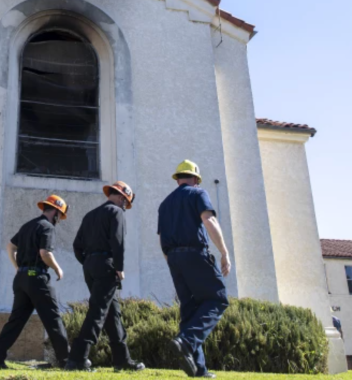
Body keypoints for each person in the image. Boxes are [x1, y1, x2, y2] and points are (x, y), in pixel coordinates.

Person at [158, 160, 231, 379]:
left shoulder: (165, 204)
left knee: (189, 308)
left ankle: (199, 369)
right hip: (195, 254)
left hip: (173, 258)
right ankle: (186, 341)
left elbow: (162, 238)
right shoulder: (198, 194)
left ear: (177, 178)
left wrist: (171, 261)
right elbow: (209, 220)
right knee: (217, 299)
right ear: (196, 179)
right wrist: (224, 253)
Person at [65, 181, 146, 372]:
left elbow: (77, 246)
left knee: (112, 314)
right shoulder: (116, 212)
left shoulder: (90, 215)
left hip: (90, 266)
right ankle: (76, 359)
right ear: (120, 196)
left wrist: (87, 263)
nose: (125, 206)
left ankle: (122, 360)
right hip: (107, 266)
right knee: (98, 312)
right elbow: (118, 241)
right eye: (125, 202)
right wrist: (119, 267)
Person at [0, 195, 71, 370]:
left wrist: (18, 267)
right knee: (53, 320)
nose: (59, 220)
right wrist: (57, 268)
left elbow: (10, 246)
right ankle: (67, 362)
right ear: (55, 212)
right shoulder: (47, 227)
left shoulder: (28, 225)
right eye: (60, 216)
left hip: (21, 279)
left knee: (15, 321)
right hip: (38, 279)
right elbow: (45, 253)